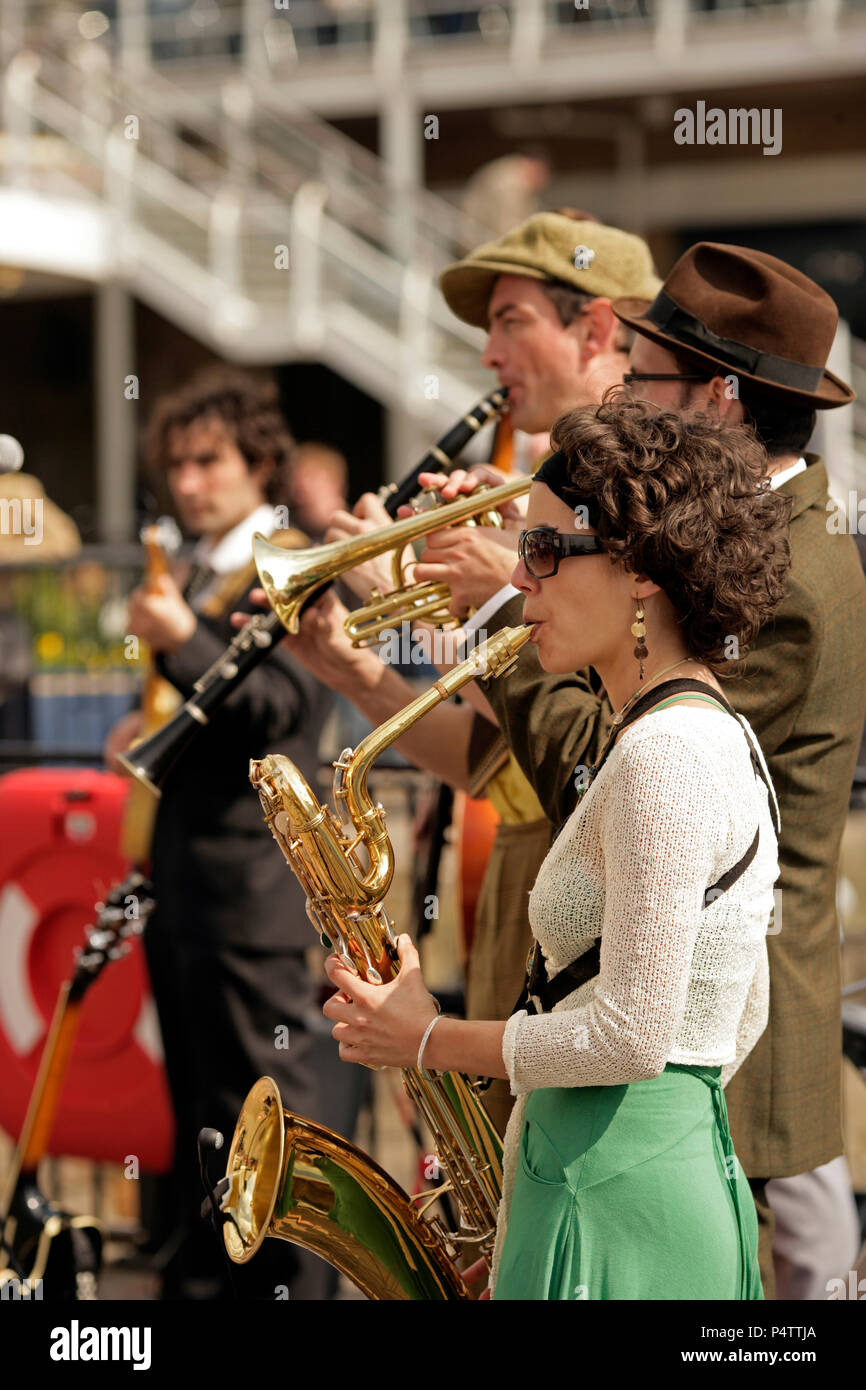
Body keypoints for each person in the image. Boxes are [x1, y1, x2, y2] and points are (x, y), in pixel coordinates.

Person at [437, 242, 866, 1297]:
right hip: (669, 1073)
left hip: (685, 1088)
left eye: (643, 373)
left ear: (716, 398)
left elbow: (602, 763)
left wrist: (507, 602)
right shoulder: (758, 554)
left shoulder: (791, 580)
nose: (624, 392)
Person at [320, 394, 791, 1300]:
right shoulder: (692, 734)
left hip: (614, 1192)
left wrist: (424, 1039)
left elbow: (630, 1034)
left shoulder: (661, 755)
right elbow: (736, 1019)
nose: (518, 581)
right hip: (627, 1177)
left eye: (541, 552)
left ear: (641, 568)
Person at [249, 212, 659, 1134]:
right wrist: (360, 672)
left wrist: (450, 591)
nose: (488, 354)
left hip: (591, 871)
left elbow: (577, 720)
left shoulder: (634, 492)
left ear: (596, 330)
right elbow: (493, 755)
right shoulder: (529, 472)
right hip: (522, 859)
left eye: (511, 321)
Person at [105, 365, 334, 1300]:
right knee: (201, 1105)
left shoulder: (290, 559)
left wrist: (181, 639)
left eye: (210, 461)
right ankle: (216, 1278)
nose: (190, 482)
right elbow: (199, 720)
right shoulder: (199, 565)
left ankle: (294, 1283)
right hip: (184, 879)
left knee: (269, 1105)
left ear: (258, 463)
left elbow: (285, 705)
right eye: (177, 465)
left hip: (255, 887)